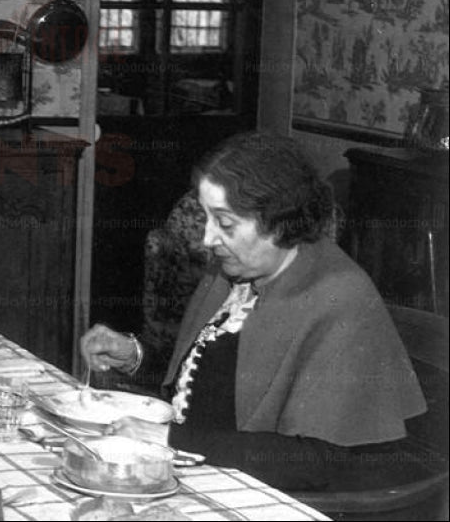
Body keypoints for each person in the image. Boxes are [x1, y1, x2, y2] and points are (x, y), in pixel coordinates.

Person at [81, 131, 427, 492]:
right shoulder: (236, 273)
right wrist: (134, 354)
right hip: (202, 474)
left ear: (278, 221)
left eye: (225, 223)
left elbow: (319, 460)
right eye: (207, 219)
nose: (208, 239)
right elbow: (205, 380)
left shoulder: (339, 298)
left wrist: (170, 438)